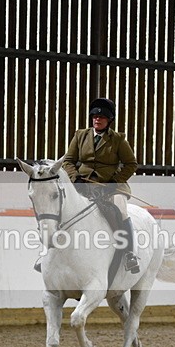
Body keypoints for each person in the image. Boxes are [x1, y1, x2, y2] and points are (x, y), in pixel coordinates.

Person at [63, 98, 140, 273]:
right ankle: (49, 254)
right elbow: (68, 160)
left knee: (121, 209)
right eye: (95, 116)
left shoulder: (118, 139)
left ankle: (129, 254)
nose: (97, 119)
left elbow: (131, 164)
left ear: (109, 120)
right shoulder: (80, 135)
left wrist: (115, 181)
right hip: (82, 184)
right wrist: (75, 178)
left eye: (102, 117)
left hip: (110, 186)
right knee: (60, 206)